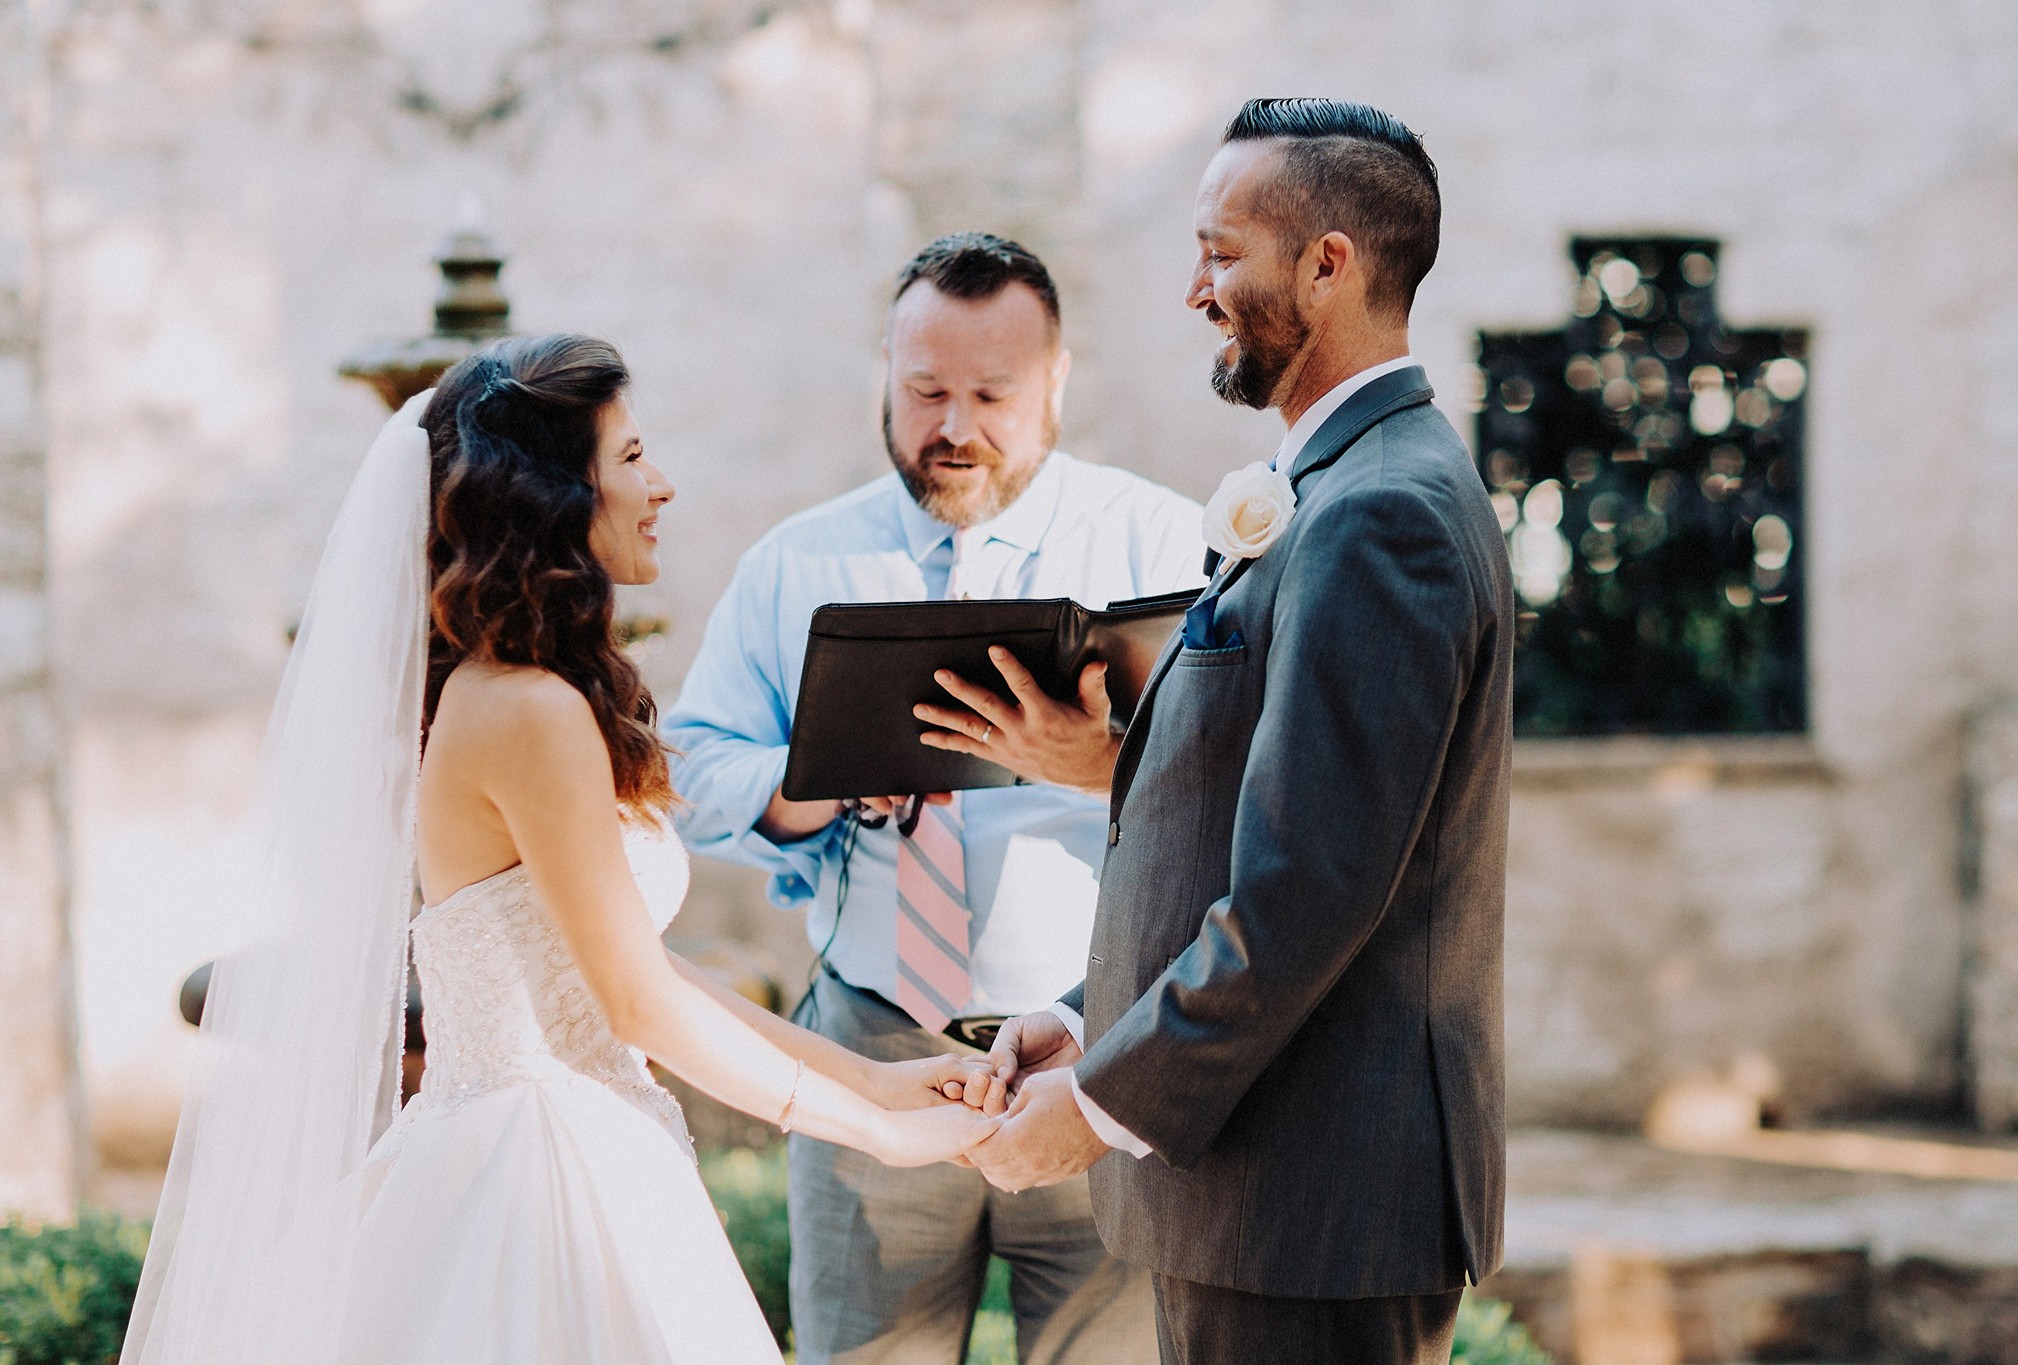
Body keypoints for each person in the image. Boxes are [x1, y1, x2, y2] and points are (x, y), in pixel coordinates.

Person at [121, 334, 999, 1365]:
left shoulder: (516, 695)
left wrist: (876, 1081)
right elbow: (637, 1007)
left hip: (582, 1148)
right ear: (546, 497)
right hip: (532, 1182)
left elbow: (633, 970)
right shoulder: (524, 709)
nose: (661, 484)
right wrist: (877, 1136)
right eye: (629, 458)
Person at [964, 99, 1515, 1365]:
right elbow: (1222, 822)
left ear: (1327, 264)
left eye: (1221, 252)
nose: (1193, 289)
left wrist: (1100, 1104)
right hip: (1266, 1199)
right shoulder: (1341, 490)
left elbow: (1304, 891)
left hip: (1312, 1206)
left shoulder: (1384, 517)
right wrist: (1088, 1015)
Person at [667, 233, 1204, 1364]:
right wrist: (811, 784)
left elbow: (1241, 779)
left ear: (1055, 382)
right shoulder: (793, 563)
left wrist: (1095, 760)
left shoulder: (1158, 540)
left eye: (990, 394)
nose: (952, 425)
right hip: (869, 1049)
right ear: (886, 377)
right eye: (923, 391)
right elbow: (691, 761)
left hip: (1097, 1047)